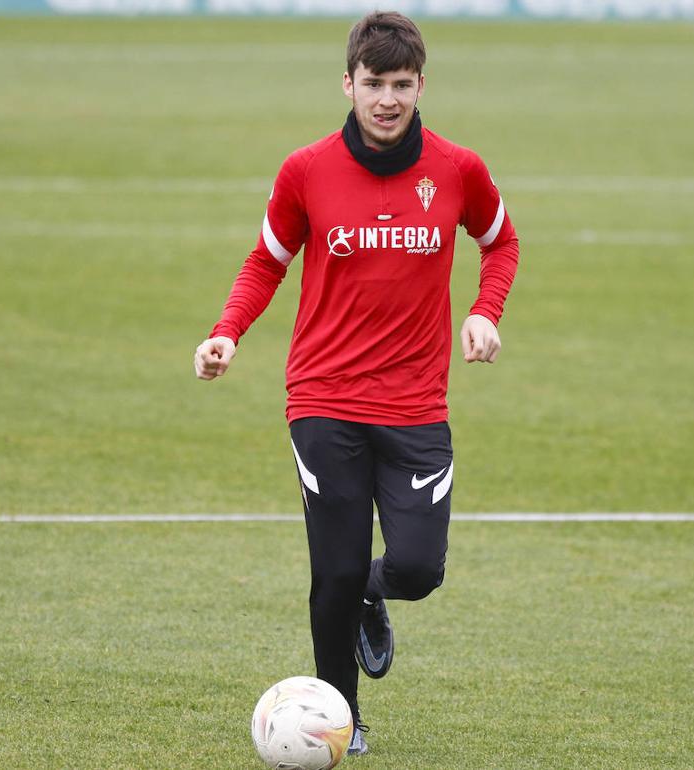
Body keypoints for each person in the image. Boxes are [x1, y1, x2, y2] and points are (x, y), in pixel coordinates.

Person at [193, 11, 519, 756]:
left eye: (401, 84)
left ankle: (377, 593)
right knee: (332, 570)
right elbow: (266, 260)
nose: (386, 99)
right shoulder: (305, 171)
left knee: (416, 568)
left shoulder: (457, 168)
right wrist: (226, 331)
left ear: (420, 85)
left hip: (414, 404)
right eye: (373, 83)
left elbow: (501, 241)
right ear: (348, 83)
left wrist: (484, 312)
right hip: (323, 399)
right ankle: (342, 717)